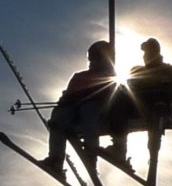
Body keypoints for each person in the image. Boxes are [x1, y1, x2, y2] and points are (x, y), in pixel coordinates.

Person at [103, 37, 172, 163]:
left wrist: (166, 83)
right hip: (138, 105)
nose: (146, 56)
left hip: (157, 105)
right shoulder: (137, 70)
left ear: (156, 52)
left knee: (157, 111)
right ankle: (119, 148)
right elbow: (127, 87)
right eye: (145, 53)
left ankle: (153, 155)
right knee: (118, 102)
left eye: (149, 52)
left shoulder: (167, 69)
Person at [40, 40, 117, 174]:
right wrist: (66, 101)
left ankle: (91, 152)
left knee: (88, 111)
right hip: (73, 108)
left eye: (97, 58)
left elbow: (109, 95)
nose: (94, 62)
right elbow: (68, 95)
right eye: (92, 58)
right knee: (58, 116)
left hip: (95, 109)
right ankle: (55, 159)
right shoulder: (80, 76)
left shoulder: (108, 76)